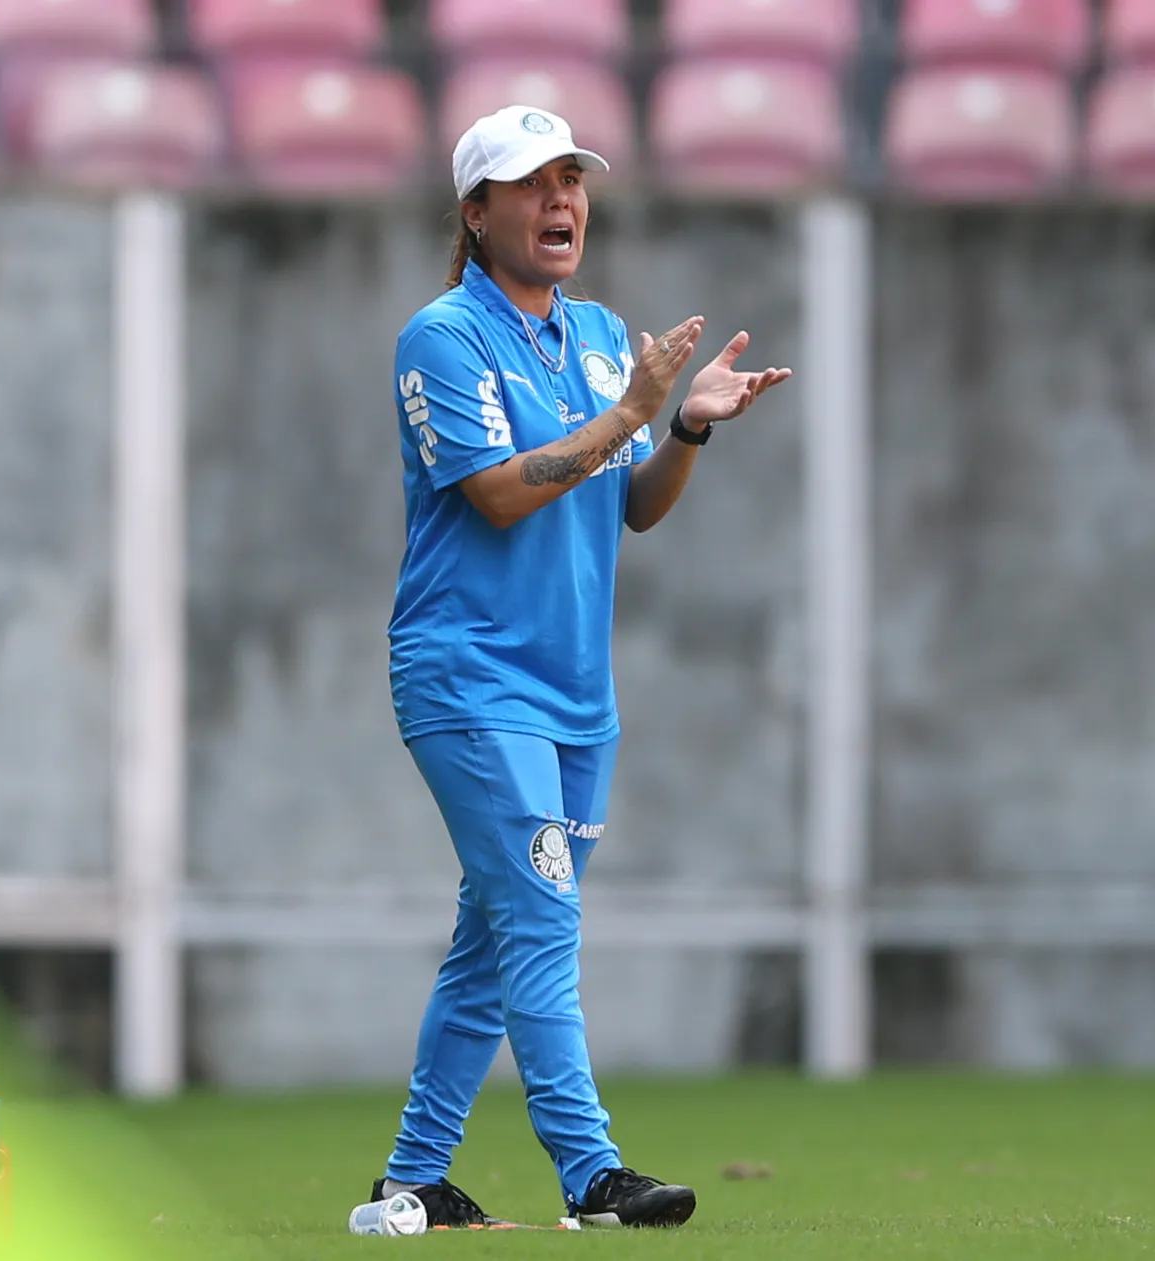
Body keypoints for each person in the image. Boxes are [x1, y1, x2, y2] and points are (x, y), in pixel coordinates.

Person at [372, 103, 793, 1230]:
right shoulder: (443, 337)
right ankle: (591, 1175)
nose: (561, 200)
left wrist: (686, 429)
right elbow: (500, 492)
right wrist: (627, 416)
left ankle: (412, 1180)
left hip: (573, 697)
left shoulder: (606, 333)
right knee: (543, 921)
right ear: (476, 211)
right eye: (531, 182)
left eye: (572, 178)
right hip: (466, 676)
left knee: (495, 934)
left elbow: (635, 508)